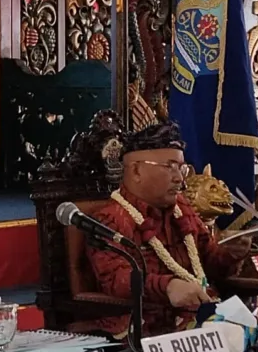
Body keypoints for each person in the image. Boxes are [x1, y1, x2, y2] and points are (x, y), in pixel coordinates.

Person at [78, 121, 237, 335]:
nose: (180, 178)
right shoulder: (110, 219)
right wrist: (168, 286)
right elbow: (116, 280)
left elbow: (210, 263)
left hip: (204, 320)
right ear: (136, 171)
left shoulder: (182, 208)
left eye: (181, 168)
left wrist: (232, 253)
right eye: (170, 167)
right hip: (145, 330)